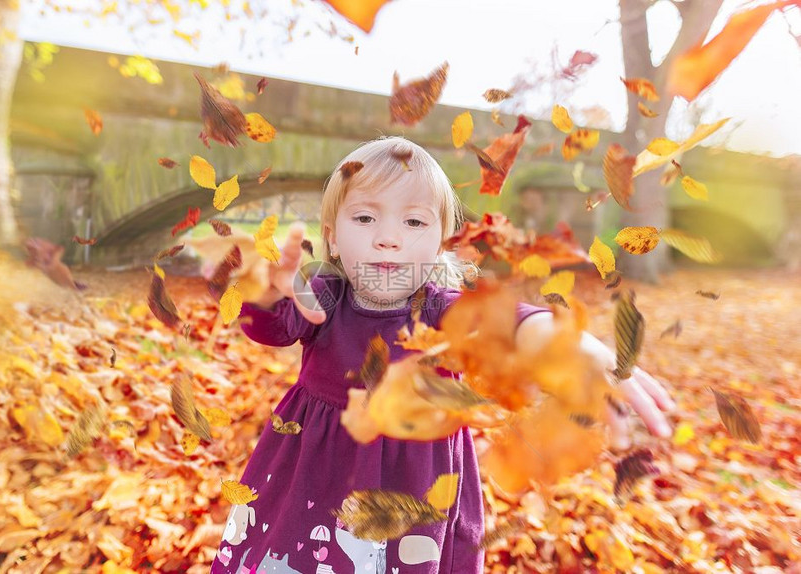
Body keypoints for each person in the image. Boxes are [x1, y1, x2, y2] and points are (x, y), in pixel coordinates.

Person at [210, 137, 675, 574]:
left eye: (413, 221)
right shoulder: (323, 300)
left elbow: (503, 322)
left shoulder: (439, 310)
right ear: (331, 237)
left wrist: (568, 344)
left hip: (412, 479)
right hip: (314, 472)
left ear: (439, 242)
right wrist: (270, 295)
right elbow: (271, 328)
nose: (388, 238)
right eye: (365, 218)